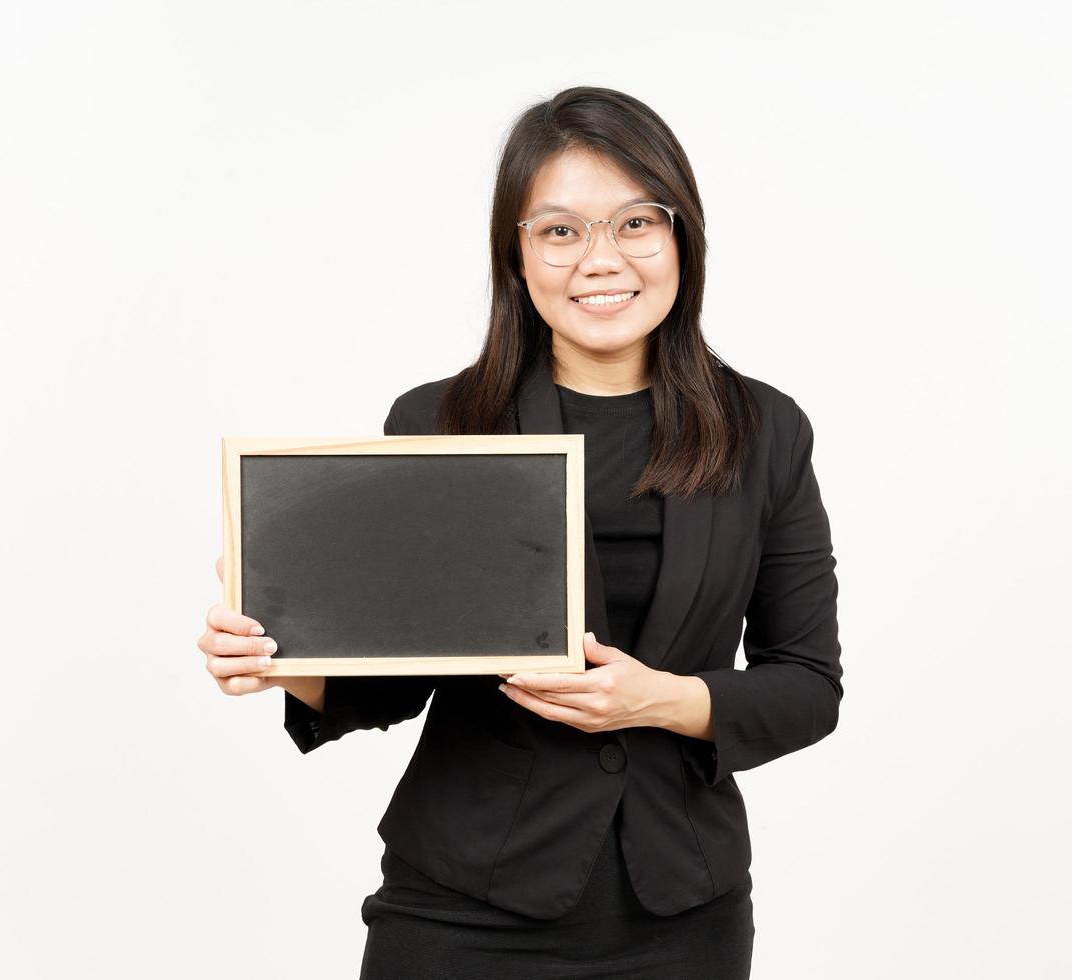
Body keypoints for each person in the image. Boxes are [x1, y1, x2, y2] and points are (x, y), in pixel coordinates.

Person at [196, 86, 843, 980]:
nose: (601, 260)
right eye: (561, 231)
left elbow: (807, 686)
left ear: (681, 236)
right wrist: (280, 655)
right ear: (519, 254)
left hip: (680, 915)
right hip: (462, 908)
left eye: (635, 223)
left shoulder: (765, 430)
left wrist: (653, 699)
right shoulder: (441, 422)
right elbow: (389, 683)